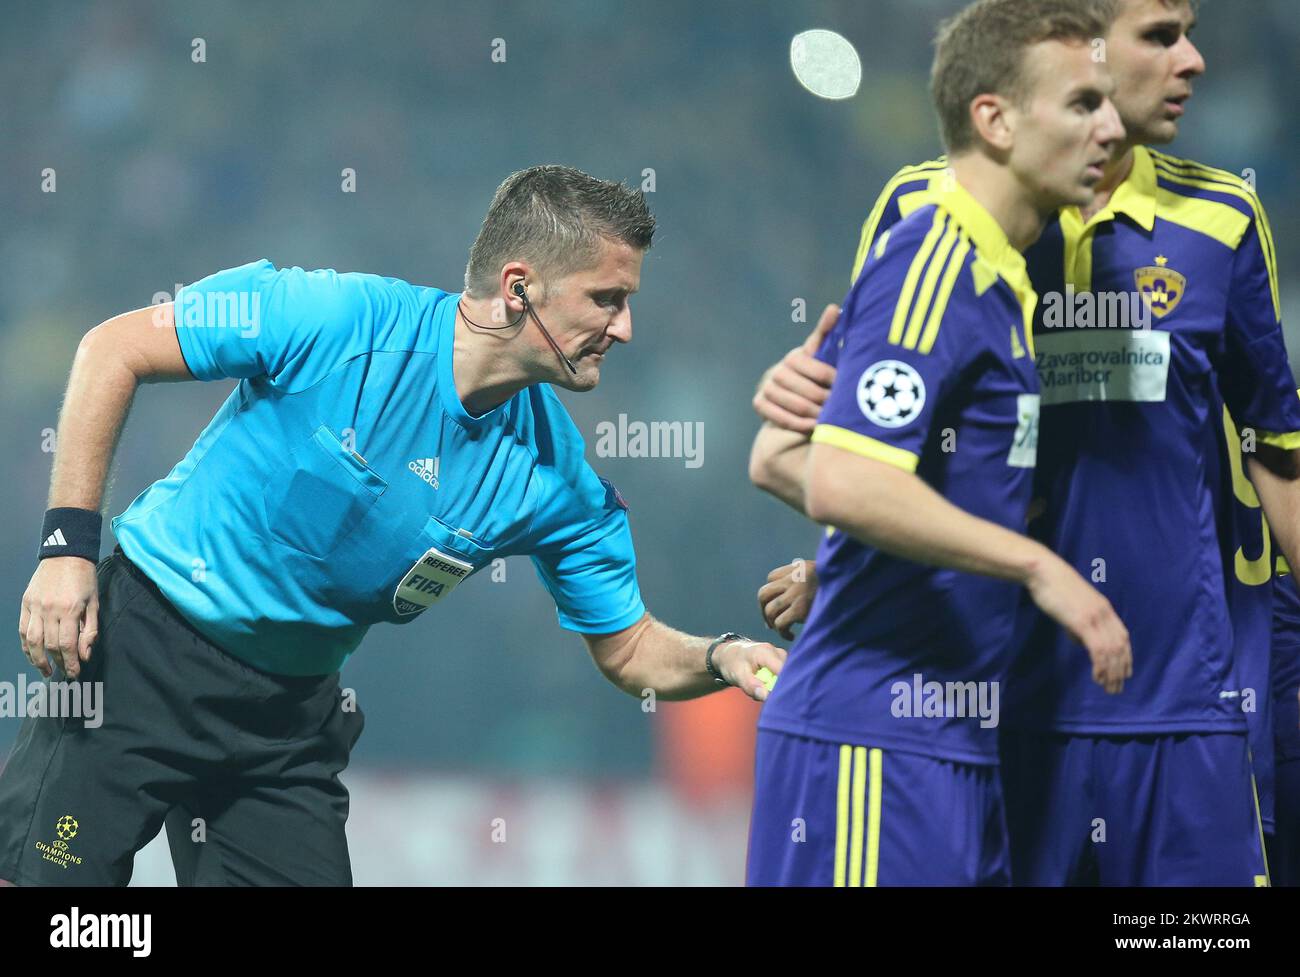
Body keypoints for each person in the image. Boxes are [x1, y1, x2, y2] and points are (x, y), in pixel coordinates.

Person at [1, 164, 785, 886]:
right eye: (606, 300)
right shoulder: (333, 318)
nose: (624, 329)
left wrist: (724, 656)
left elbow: (632, 645)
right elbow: (113, 348)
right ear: (520, 288)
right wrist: (67, 550)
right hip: (142, 658)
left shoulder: (558, 481)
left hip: (284, 721)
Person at [753, 0, 1300, 885]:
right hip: (954, 707)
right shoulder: (934, 232)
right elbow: (848, 461)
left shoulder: (1068, 245)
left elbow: (1279, 454)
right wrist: (861, 558)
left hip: (1169, 702)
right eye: (1158, 37)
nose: (1192, 61)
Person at [745, 0, 1130, 886]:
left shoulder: (998, 274)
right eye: (1081, 104)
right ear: (993, 118)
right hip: (868, 739)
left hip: (944, 739)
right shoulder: (935, 260)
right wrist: (1041, 566)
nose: (1110, 127)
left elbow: (776, 456)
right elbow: (842, 482)